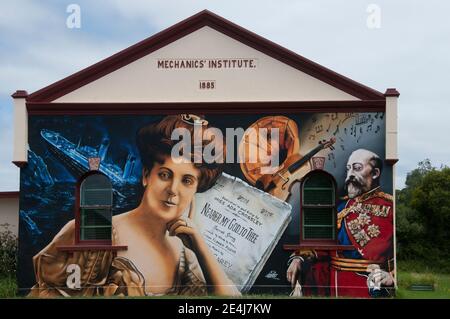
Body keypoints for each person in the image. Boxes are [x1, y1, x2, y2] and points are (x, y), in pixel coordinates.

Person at [29, 114, 240, 297]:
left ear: (195, 191)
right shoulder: (91, 231)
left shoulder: (186, 256)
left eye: (187, 181)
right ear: (146, 175)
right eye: (165, 175)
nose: (173, 190)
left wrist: (199, 244)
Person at [286, 149, 394, 297]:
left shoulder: (390, 207)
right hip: (333, 282)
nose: (350, 175)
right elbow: (323, 244)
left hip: (367, 284)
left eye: (357, 168)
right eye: (348, 169)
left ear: (375, 173)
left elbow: (399, 253)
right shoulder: (341, 207)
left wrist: (392, 276)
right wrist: (299, 257)